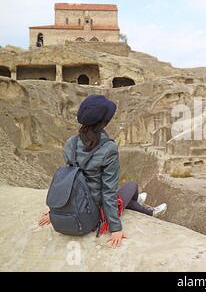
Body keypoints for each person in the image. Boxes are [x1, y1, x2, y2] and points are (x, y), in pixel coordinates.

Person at [38, 95, 167, 247]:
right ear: (104, 123)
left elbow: (68, 179)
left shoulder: (70, 143)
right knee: (131, 186)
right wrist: (115, 228)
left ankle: (136, 204)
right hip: (93, 213)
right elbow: (108, 192)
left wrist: (56, 211)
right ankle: (147, 211)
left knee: (122, 193)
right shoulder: (108, 149)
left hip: (74, 205)